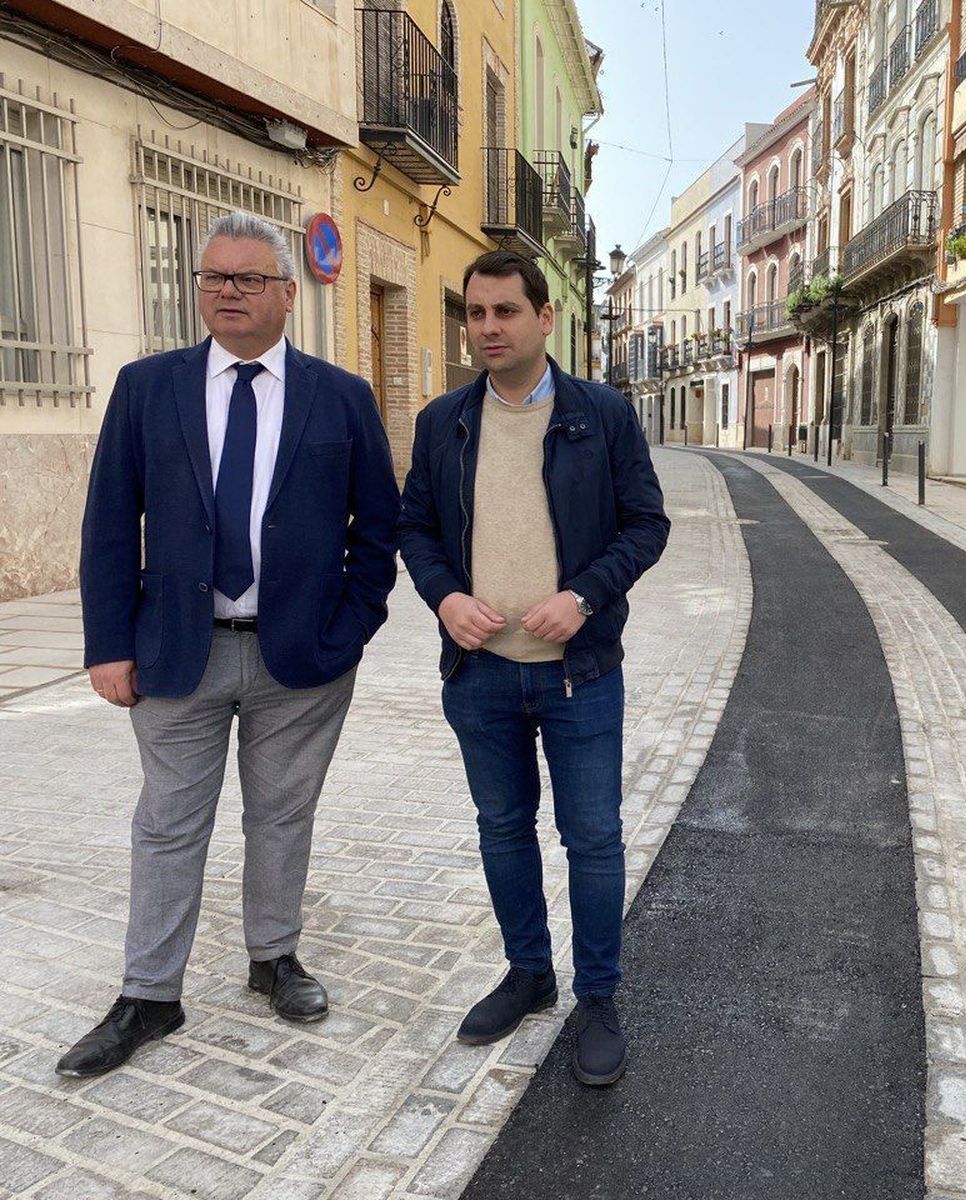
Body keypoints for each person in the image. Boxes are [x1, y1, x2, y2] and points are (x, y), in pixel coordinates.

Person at [59, 211, 400, 1077]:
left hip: (302, 657)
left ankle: (274, 957)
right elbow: (108, 524)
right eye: (214, 278)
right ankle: (149, 994)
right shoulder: (147, 387)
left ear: (290, 294)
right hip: (178, 648)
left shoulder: (341, 396)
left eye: (249, 279)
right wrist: (106, 645)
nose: (228, 293)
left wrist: (352, 628)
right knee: (167, 824)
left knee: (282, 814)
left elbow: (379, 527)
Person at [397, 251, 668, 1086]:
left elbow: (646, 524)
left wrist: (583, 597)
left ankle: (597, 999)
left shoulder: (601, 413)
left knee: (591, 838)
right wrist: (445, 600)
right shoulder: (444, 419)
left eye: (505, 312)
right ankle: (528, 973)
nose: (487, 328)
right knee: (503, 829)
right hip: (479, 674)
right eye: (474, 313)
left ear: (545, 318)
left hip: (578, 673)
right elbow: (416, 530)